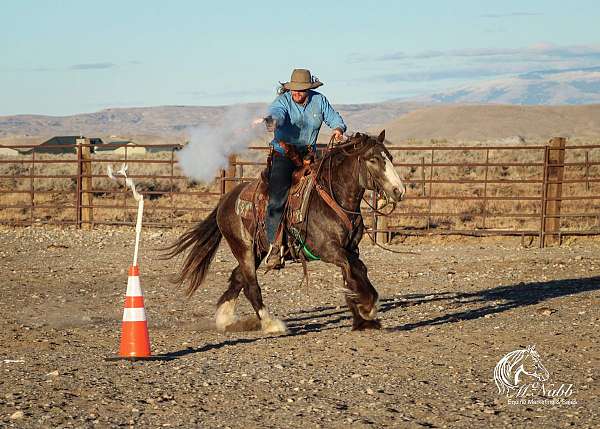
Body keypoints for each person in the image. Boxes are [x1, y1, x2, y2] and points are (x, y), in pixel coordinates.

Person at [262, 68, 347, 269]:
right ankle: (275, 245)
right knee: (278, 195)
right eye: (294, 90)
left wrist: (337, 128)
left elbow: (334, 118)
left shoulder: (319, 101)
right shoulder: (283, 102)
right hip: (284, 153)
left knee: (329, 186)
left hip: (308, 155)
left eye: (301, 90)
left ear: (309, 89)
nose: (297, 93)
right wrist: (272, 121)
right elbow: (276, 114)